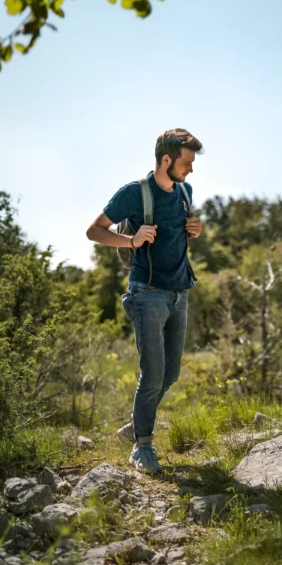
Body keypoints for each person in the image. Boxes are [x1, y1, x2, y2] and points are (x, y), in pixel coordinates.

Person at [86, 129, 203, 473]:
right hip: (146, 292)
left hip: (180, 291)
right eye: (186, 163)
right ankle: (143, 447)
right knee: (152, 374)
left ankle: (136, 424)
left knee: (171, 373)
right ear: (166, 160)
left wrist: (193, 229)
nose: (191, 170)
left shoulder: (185, 191)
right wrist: (131, 239)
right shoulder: (133, 193)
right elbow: (94, 231)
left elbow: (175, 236)